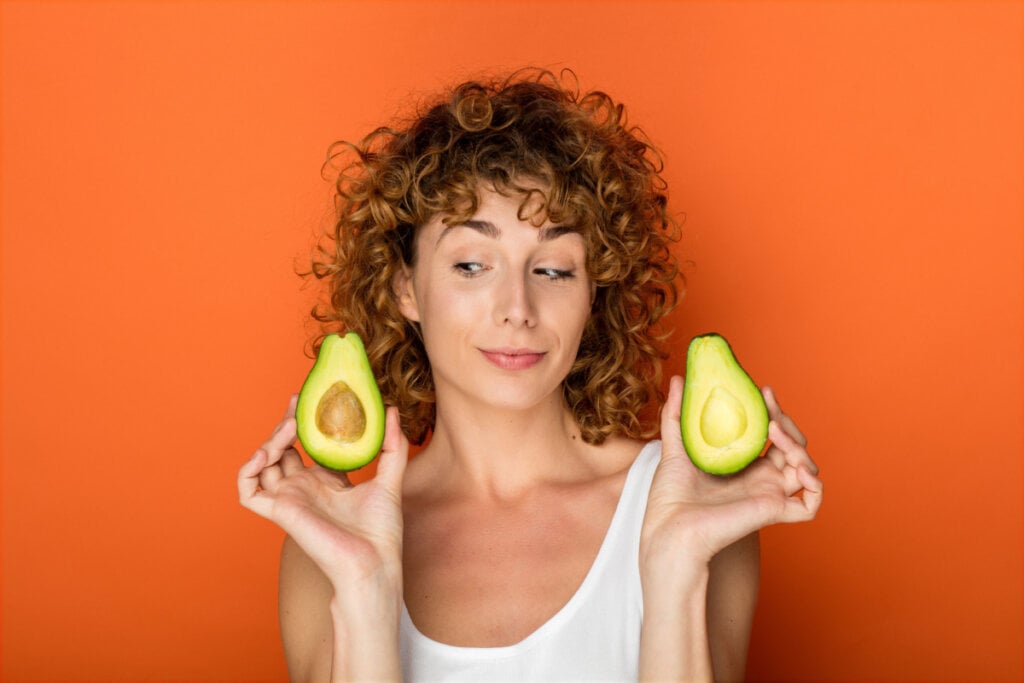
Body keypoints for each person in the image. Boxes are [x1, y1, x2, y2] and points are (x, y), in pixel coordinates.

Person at [237, 68, 822, 682]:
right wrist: (362, 583)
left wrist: (675, 568)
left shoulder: (692, 507)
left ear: (594, 290)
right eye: (470, 264)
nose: (517, 306)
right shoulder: (334, 531)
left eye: (553, 270)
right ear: (405, 287)